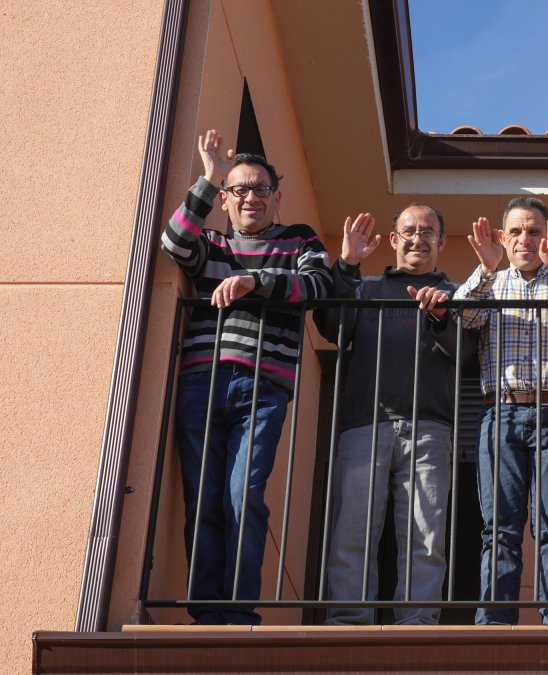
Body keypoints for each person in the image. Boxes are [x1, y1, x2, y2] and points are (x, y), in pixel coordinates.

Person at [161, 129, 375, 625]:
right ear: (226, 200)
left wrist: (255, 282)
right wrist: (209, 176)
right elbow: (175, 241)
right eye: (239, 190)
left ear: (277, 198)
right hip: (201, 382)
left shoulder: (299, 238)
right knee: (204, 496)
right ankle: (207, 610)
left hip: (263, 387)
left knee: (243, 494)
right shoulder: (211, 244)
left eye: (261, 189)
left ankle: (236, 608)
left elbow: (319, 283)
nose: (251, 197)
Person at [316, 203, 475, 625]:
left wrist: (443, 316)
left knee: (425, 537)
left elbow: (469, 353)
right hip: (365, 423)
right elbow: (331, 327)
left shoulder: (456, 294)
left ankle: (418, 625)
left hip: (431, 428)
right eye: (409, 231)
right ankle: (348, 623)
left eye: (428, 232)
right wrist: (347, 264)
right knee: (352, 531)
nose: (417, 239)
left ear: (441, 241)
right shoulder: (366, 289)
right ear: (393, 239)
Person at [453, 196, 548, 625]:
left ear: (547, 235)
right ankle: (496, 620)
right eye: (515, 231)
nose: (525, 239)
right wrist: (484, 267)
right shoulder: (492, 283)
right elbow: (461, 317)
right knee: (499, 528)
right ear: (502, 238)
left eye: (534, 230)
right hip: (500, 414)